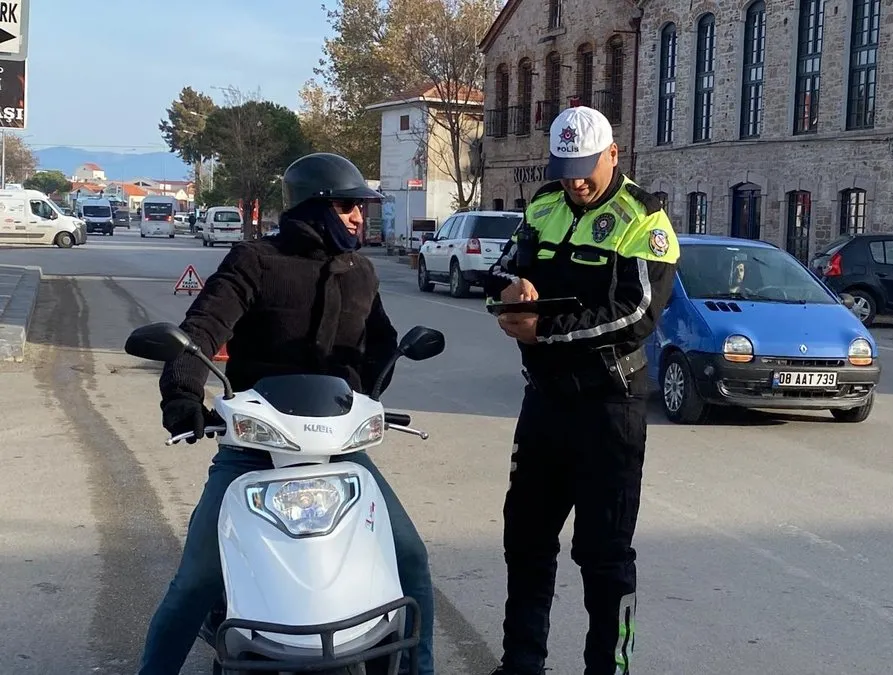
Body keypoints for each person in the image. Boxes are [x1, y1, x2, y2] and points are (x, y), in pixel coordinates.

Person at [138, 152, 436, 675]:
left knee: (409, 558)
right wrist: (183, 396)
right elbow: (202, 330)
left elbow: (380, 343)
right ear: (312, 207)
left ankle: (421, 670)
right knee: (199, 577)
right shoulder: (254, 261)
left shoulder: (360, 271)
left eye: (361, 208)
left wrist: (369, 395)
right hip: (256, 450)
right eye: (347, 206)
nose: (357, 218)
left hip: (335, 451)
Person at [482, 106, 679, 675]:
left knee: (605, 556)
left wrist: (544, 329)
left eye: (586, 167)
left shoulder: (644, 218)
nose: (575, 180)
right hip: (544, 401)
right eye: (566, 167)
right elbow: (498, 271)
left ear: (613, 155)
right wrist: (509, 288)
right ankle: (521, 663)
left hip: (608, 406)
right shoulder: (543, 205)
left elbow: (638, 314)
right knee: (526, 540)